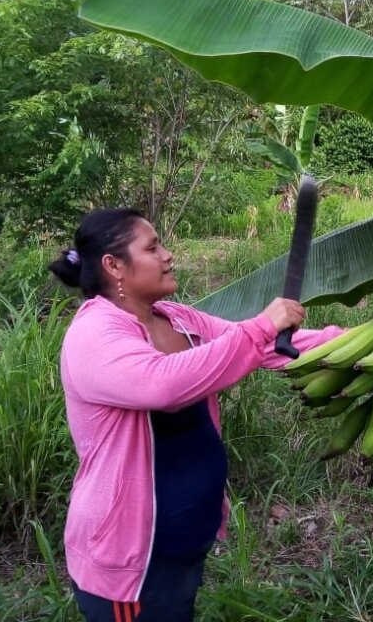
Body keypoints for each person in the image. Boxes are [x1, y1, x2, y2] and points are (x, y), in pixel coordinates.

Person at [47, 208, 342, 621]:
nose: (167, 255)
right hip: (131, 563)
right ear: (114, 266)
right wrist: (261, 326)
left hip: (185, 540)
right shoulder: (93, 334)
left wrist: (362, 343)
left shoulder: (177, 318)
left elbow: (262, 346)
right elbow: (164, 384)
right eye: (152, 248)